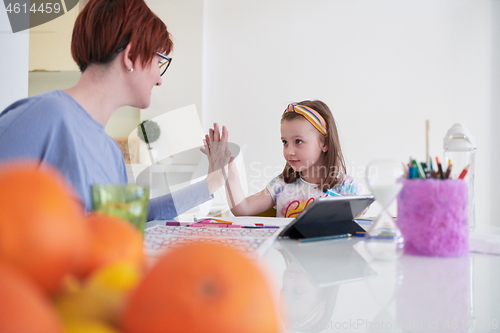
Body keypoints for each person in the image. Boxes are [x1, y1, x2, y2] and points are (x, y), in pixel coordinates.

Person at [0, 0, 230, 221]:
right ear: (130, 56)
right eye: (158, 61)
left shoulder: (110, 152)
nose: (159, 79)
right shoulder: (43, 117)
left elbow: (132, 215)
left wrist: (212, 182)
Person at [215, 100, 363, 218]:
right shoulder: (280, 186)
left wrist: (354, 205)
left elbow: (363, 206)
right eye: (285, 142)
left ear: (325, 143)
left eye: (298, 141)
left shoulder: (346, 186)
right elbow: (242, 209)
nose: (289, 151)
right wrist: (229, 173)